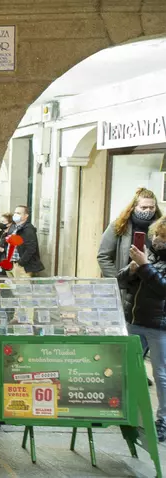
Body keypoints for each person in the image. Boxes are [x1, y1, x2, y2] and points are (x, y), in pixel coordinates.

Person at [118, 215, 166, 441]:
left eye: (162, 237)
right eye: (155, 235)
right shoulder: (148, 256)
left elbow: (162, 289)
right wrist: (132, 269)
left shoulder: (149, 261)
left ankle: (163, 420)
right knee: (126, 369)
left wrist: (145, 267)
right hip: (135, 320)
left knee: (161, 374)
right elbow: (121, 281)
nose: (156, 240)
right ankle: (128, 413)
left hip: (159, 326)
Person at [99, 187, 161, 305]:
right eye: (144, 207)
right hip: (126, 286)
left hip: (152, 286)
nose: (148, 211)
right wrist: (117, 280)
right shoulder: (119, 226)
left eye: (151, 207)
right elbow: (103, 256)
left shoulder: (161, 228)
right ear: (134, 207)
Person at [8, 205, 44, 278]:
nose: (15, 215)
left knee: (23, 284)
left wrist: (21, 262)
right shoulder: (14, 227)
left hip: (23, 266)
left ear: (26, 216)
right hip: (13, 264)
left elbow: (31, 248)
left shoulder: (28, 229)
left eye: (18, 213)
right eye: (15, 213)